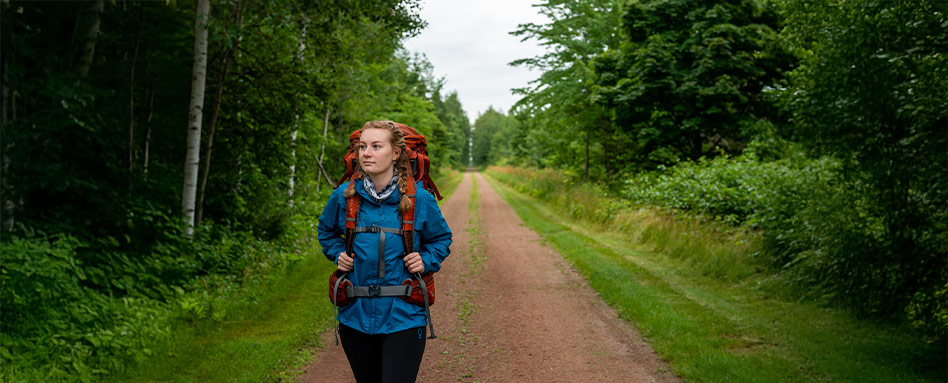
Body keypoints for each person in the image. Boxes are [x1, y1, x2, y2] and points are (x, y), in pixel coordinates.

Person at [318, 120, 452, 383]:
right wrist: (337, 253)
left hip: (404, 316)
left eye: (376, 146)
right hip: (354, 316)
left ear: (395, 153)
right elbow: (326, 231)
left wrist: (425, 260)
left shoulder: (419, 199)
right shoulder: (344, 196)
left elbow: (441, 238)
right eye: (363, 147)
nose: (366, 153)